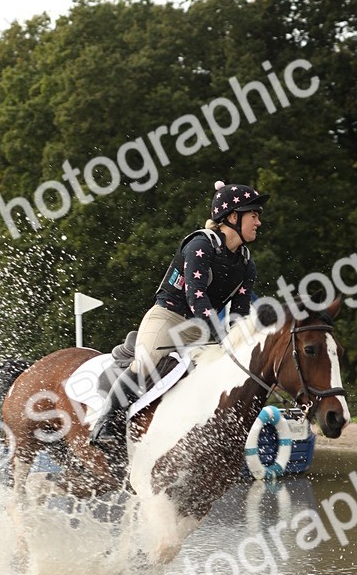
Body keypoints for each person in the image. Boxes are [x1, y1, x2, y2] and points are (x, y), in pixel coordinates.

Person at [89, 179, 269, 445]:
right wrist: (222, 335)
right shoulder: (200, 245)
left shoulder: (245, 263)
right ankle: (105, 422)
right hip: (168, 317)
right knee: (147, 361)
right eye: (253, 215)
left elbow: (239, 313)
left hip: (201, 329)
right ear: (233, 217)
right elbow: (196, 295)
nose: (258, 222)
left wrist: (241, 341)